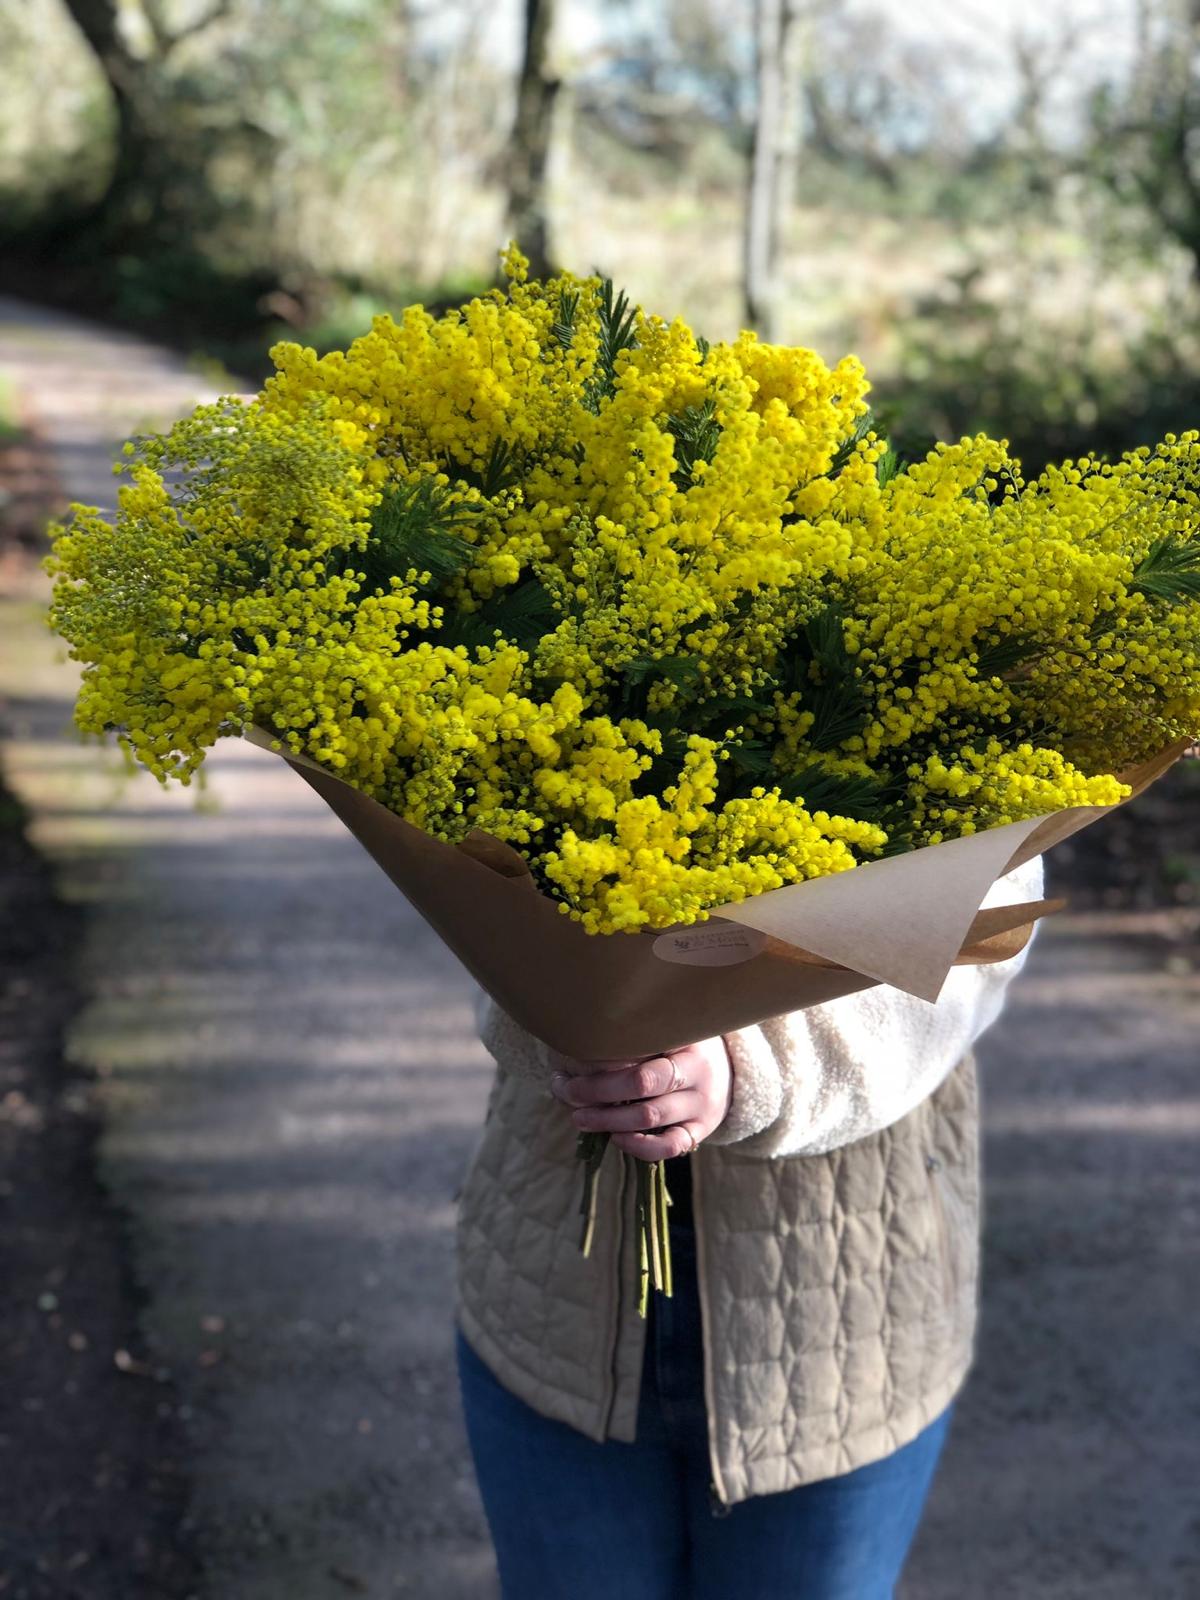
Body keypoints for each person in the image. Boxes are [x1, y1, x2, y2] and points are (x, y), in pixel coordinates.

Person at [453, 854, 1045, 1599]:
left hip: (844, 1320)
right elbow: (483, 913)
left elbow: (977, 943)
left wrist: (756, 1071)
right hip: (553, 1293)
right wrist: (567, 1026)